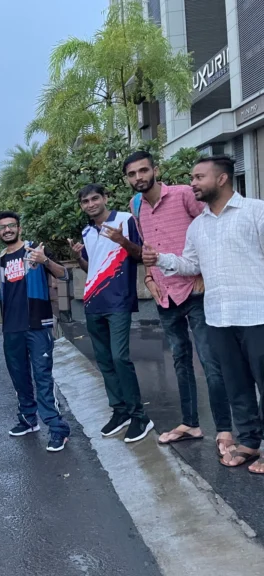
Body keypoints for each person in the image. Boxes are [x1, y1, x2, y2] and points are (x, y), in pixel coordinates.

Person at [143, 155, 264, 472]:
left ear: (222, 179)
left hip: (257, 314)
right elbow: (191, 264)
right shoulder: (198, 226)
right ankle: (250, 442)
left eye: (199, 177)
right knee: (237, 384)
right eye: (192, 177)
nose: (192, 183)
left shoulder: (256, 212)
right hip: (219, 317)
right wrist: (161, 259)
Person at [121, 151, 233, 455]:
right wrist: (149, 277)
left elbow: (212, 227)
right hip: (165, 294)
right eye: (132, 174)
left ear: (155, 170)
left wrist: (206, 273)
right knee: (180, 360)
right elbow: (148, 246)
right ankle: (190, 424)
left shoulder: (184, 195)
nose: (138, 177)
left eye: (143, 171)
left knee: (210, 361)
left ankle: (224, 430)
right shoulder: (135, 205)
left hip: (195, 290)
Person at [68, 184, 154, 444]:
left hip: (118, 300)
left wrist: (121, 240)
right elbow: (91, 266)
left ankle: (140, 416)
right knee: (104, 360)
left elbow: (139, 255)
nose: (91, 204)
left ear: (105, 198)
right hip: (93, 301)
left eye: (95, 198)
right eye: (85, 201)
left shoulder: (125, 220)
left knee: (120, 358)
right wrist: (79, 257)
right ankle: (120, 411)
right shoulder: (87, 231)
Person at [0, 211, 72, 452]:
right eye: (3, 227)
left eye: (11, 225)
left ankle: (57, 429)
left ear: (19, 229)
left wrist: (45, 260)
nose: (7, 230)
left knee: (42, 377)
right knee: (19, 377)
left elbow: (64, 274)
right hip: (12, 328)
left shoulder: (35, 250)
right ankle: (28, 420)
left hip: (37, 325)